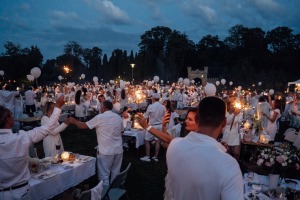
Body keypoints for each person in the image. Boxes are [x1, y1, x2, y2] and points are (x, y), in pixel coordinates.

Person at [139, 97, 243, 199]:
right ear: (224, 122)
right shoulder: (229, 166)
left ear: (197, 119)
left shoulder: (175, 146)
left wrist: (147, 126)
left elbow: (168, 140)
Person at [0, 95, 65, 200]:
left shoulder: (22, 137)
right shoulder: (22, 138)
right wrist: (57, 107)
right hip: (21, 192)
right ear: (7, 120)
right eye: (11, 115)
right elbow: (48, 128)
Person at [65, 100, 123, 186]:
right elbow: (122, 131)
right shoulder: (118, 117)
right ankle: (115, 190)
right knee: (115, 172)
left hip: (105, 151)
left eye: (101, 106)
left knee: (104, 175)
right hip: (118, 150)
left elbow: (84, 126)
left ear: (103, 107)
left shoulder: (100, 117)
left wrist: (74, 121)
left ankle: (105, 194)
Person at [140, 92, 166, 162]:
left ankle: (148, 156)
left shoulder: (151, 106)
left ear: (153, 99)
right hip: (159, 125)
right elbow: (164, 116)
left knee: (146, 140)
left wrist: (140, 117)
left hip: (151, 126)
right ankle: (155, 157)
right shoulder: (163, 107)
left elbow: (145, 117)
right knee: (157, 141)